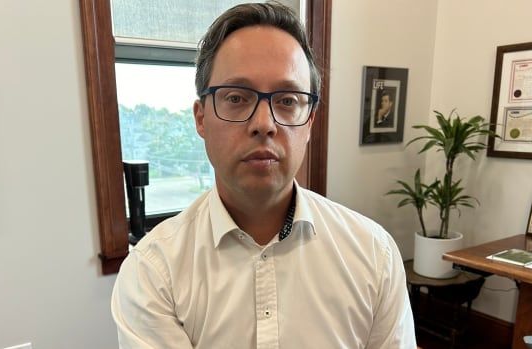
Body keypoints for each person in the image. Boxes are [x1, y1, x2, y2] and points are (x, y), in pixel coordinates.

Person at [111, 2, 416, 348]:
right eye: (237, 98)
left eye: (287, 100)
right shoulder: (153, 271)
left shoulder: (374, 255)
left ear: (310, 121)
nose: (264, 124)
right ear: (201, 118)